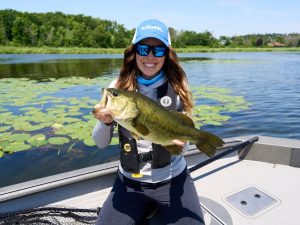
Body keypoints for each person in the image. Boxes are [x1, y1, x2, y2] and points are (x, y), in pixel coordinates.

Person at [92, 19, 205, 225]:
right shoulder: (117, 88)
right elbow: (100, 143)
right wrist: (105, 123)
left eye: (158, 50)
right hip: (130, 183)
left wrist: (179, 142)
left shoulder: (178, 87)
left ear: (166, 54)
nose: (150, 56)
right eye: (144, 49)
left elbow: (183, 143)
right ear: (134, 52)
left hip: (173, 181)